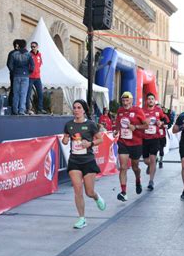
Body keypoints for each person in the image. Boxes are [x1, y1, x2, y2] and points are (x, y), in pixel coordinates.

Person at [62, 99, 106, 229]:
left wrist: (90, 144)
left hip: (88, 161)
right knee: (77, 189)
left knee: (89, 191)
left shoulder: (91, 124)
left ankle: (96, 197)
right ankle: (82, 218)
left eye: (79, 107)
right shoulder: (69, 125)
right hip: (74, 160)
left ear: (84, 110)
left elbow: (100, 139)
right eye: (74, 107)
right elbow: (65, 140)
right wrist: (65, 139)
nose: (76, 110)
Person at [113, 91, 148, 201]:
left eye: (127, 100)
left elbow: (146, 125)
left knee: (135, 167)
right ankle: (123, 192)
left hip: (136, 143)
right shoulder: (120, 111)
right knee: (123, 167)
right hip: (123, 142)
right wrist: (116, 131)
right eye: (123, 100)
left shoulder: (137, 110)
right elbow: (118, 124)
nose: (125, 102)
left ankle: (138, 179)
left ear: (131, 101)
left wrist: (136, 127)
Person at [142, 93, 167, 191]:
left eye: (152, 99)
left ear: (154, 100)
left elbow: (166, 119)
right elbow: (137, 121)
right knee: (146, 160)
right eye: (149, 99)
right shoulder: (142, 111)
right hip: (144, 138)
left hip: (155, 138)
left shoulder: (158, 111)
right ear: (146, 101)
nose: (150, 100)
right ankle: (149, 164)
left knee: (152, 159)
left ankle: (151, 181)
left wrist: (161, 122)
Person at [8, 39, 34, 115]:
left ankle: (15, 110)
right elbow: (32, 66)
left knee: (16, 93)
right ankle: (22, 110)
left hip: (16, 75)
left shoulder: (14, 54)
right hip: (25, 75)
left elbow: (10, 65)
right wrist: (28, 73)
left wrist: (14, 72)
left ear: (18, 46)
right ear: (25, 46)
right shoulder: (29, 55)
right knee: (23, 93)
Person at [26, 42, 47, 114]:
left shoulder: (39, 55)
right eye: (31, 47)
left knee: (40, 93)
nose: (33, 48)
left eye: (34, 46)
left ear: (37, 47)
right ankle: (27, 108)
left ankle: (40, 109)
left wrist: (37, 71)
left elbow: (40, 64)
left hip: (38, 77)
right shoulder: (29, 55)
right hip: (30, 77)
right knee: (28, 93)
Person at [6, 40, 20, 108]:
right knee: (13, 89)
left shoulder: (21, 53)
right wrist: (13, 72)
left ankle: (17, 105)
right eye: (16, 45)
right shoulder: (12, 53)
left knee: (18, 90)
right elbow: (9, 64)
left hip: (19, 74)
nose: (17, 46)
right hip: (14, 74)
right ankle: (11, 104)